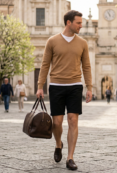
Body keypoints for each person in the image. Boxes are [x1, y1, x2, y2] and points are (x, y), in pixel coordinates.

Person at [36, 10, 92, 171]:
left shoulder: (82, 43)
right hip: (56, 87)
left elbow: (86, 66)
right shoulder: (52, 41)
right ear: (69, 22)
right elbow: (45, 64)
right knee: (57, 123)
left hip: (75, 86)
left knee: (73, 120)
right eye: (78, 23)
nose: (81, 25)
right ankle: (58, 143)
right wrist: (40, 86)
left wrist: (89, 87)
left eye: (81, 23)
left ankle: (70, 157)